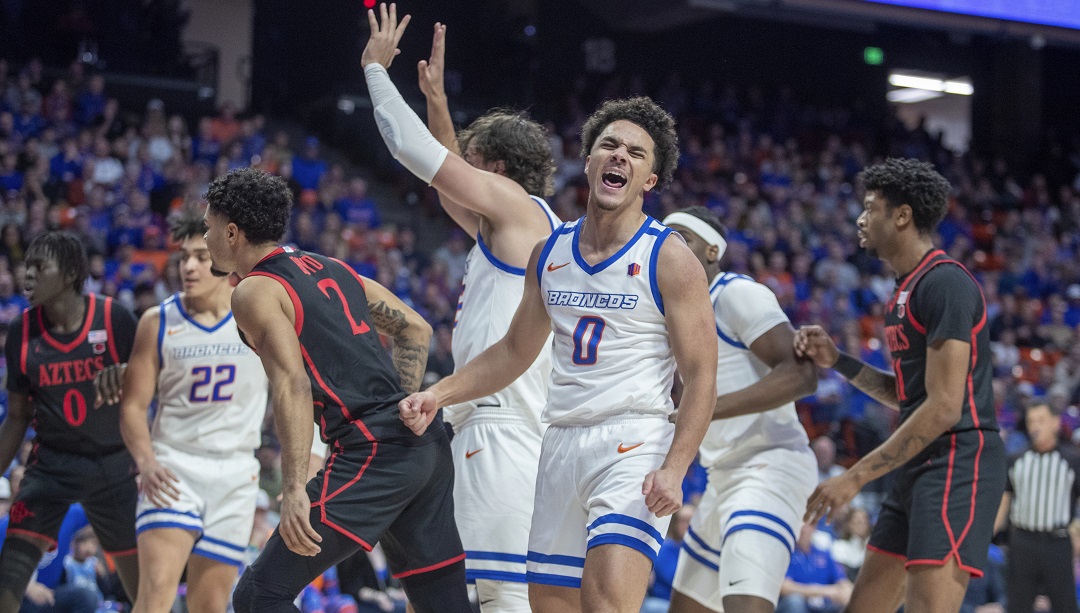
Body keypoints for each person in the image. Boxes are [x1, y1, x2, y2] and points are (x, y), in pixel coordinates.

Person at [398, 84, 717, 613]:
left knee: (608, 604)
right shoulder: (551, 252)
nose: (621, 156)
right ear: (588, 161)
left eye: (637, 154)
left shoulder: (669, 258)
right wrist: (441, 394)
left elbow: (702, 376)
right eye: (610, 146)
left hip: (633, 441)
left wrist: (676, 467)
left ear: (650, 180)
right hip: (559, 441)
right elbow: (513, 351)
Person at [200, 167, 470, 613]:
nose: (206, 238)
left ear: (232, 233)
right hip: (425, 446)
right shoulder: (331, 267)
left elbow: (292, 382)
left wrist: (294, 489)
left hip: (372, 452)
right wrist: (402, 407)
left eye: (208, 228)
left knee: (257, 596)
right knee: (442, 605)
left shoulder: (254, 290)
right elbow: (416, 329)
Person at [361, 13, 558, 610]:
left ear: (495, 171)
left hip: (501, 429)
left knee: (497, 598)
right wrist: (438, 103)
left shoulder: (517, 207)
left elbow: (413, 151)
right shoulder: (518, 226)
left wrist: (373, 67)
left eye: (473, 162)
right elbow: (450, 179)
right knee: (492, 595)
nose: (462, 172)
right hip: (511, 427)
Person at [794, 158, 1007, 612]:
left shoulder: (945, 283)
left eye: (870, 208)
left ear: (902, 215)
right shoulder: (902, 290)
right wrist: (839, 362)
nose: (860, 219)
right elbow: (910, 396)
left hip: (956, 460)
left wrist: (855, 476)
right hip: (918, 458)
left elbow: (946, 406)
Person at [97, 210, 270, 612]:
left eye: (199, 255)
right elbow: (133, 406)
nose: (188, 266)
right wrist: (147, 462)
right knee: (155, 595)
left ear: (225, 258)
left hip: (236, 474)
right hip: (175, 467)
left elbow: (290, 387)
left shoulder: (258, 312)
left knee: (209, 607)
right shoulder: (157, 321)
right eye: (182, 257)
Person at [663, 206, 818, 613]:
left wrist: (703, 409)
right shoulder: (672, 313)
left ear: (712, 251)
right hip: (722, 475)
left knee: (745, 606)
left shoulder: (735, 292)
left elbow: (802, 376)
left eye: (683, 238)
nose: (669, 248)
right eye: (664, 239)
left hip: (770, 465)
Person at [0, 231, 139, 610]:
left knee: (145, 593)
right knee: (6, 588)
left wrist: (129, 374)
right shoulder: (21, 333)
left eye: (39, 267)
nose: (27, 275)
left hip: (114, 463)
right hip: (51, 465)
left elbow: (153, 387)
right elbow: (16, 416)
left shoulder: (114, 318)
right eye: (26, 266)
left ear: (71, 273)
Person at [992, 399, 1080, 613]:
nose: (1035, 426)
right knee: (1017, 605)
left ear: (1056, 423)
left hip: (1057, 542)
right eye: (1032, 421)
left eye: (1041, 420)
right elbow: (1005, 500)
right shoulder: (1015, 459)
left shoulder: (1072, 460)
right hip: (1022, 541)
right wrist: (989, 535)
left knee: (1065, 605)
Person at [775, 524, 853, 613]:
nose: (803, 530)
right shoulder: (787, 554)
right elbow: (785, 588)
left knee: (847, 600)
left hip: (824, 605)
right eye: (800, 526)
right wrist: (825, 591)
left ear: (814, 528)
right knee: (795, 601)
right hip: (801, 603)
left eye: (807, 526)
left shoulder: (824, 554)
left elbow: (843, 582)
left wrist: (846, 593)